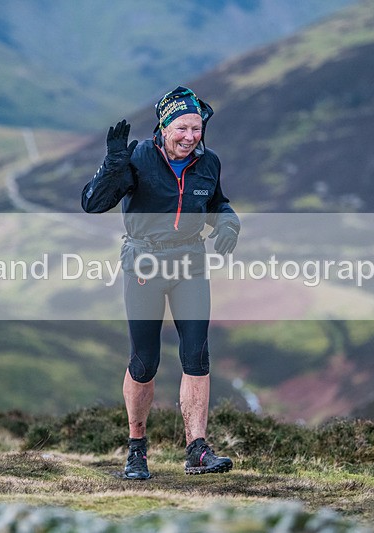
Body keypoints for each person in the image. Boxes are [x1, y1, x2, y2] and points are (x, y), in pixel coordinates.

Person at [81, 86, 240, 479]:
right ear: (164, 125)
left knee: (196, 356)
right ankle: (137, 450)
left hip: (190, 262)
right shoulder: (137, 157)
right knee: (144, 361)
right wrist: (114, 163)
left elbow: (216, 202)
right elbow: (92, 202)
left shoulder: (209, 162)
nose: (190, 137)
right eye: (182, 128)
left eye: (197, 128)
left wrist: (229, 219)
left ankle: (197, 450)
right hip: (144, 264)